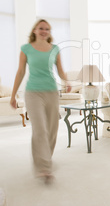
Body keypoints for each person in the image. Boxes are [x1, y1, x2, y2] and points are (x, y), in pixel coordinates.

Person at [10, 19, 71, 184]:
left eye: (47, 29)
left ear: (49, 32)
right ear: (35, 30)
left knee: (52, 129)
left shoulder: (55, 49)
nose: (44, 31)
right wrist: (13, 95)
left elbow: (60, 70)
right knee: (40, 129)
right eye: (41, 28)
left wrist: (66, 82)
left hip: (51, 92)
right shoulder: (26, 48)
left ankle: (46, 159)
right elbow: (21, 71)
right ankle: (43, 167)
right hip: (33, 93)